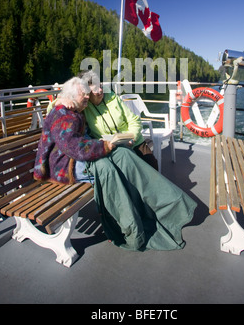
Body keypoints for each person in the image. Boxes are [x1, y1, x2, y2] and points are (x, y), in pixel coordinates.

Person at [35, 76, 197, 251]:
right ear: (75, 96)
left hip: (108, 145)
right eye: (88, 95)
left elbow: (131, 120)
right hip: (64, 166)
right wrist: (105, 145)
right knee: (108, 169)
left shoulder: (86, 105)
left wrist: (125, 140)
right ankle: (130, 228)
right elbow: (73, 146)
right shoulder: (65, 112)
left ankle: (171, 205)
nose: (92, 96)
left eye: (98, 89)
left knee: (126, 156)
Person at [80, 70, 159, 171]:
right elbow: (59, 105)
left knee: (151, 164)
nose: (100, 90)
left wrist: (132, 139)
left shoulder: (112, 97)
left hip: (133, 141)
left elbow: (134, 120)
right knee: (128, 171)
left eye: (101, 86)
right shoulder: (84, 106)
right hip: (110, 148)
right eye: (95, 89)